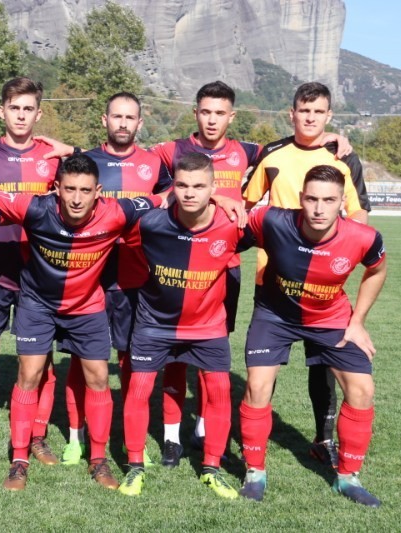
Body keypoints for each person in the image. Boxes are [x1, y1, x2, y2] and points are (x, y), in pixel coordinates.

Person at [0, 153, 167, 492]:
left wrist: (223, 197)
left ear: (98, 192)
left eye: (85, 190)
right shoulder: (34, 209)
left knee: (98, 378)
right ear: (56, 189)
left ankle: (98, 459)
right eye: (69, 189)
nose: (77, 199)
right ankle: (19, 461)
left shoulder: (117, 212)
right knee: (29, 375)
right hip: (37, 306)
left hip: (86, 307)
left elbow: (164, 197)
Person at [238, 165, 386, 508]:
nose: (319, 209)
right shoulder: (271, 220)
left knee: (362, 389)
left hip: (330, 317)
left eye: (329, 200)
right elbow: (230, 227)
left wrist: (358, 321)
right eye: (312, 199)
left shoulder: (363, 237)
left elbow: (377, 270)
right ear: (301, 198)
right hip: (274, 316)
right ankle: (255, 473)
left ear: (342, 202)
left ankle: (348, 478)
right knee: (257, 386)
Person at [242, 81, 372, 468]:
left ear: (329, 115)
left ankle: (323, 438)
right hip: (274, 279)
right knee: (264, 371)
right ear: (292, 113)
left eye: (318, 112)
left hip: (323, 284)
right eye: (304, 110)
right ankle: (257, 445)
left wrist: (339, 256)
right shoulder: (272, 154)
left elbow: (359, 214)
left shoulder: (343, 157)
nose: (311, 118)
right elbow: (247, 204)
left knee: (324, 365)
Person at [119, 152, 252, 498]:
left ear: (213, 187)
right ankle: (134, 467)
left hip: (208, 327)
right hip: (154, 325)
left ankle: (212, 469)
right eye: (181, 185)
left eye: (199, 186)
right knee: (138, 391)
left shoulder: (234, 224)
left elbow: (285, 229)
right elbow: (109, 219)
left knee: (219, 393)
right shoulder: (149, 224)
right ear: (172, 187)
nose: (190, 193)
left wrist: (227, 201)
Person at [150, 82, 260, 461]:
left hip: (225, 267)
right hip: (178, 265)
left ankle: (203, 428)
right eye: (205, 112)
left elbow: (294, 147)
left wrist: (333, 139)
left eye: (220, 113)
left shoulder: (248, 152)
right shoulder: (170, 151)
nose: (212, 120)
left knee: (211, 354)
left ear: (232, 116)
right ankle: (171, 436)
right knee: (175, 356)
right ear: (195, 112)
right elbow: (128, 162)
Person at [0, 77, 61, 465]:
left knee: (39, 361)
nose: (21, 115)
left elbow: (90, 181)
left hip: (40, 271)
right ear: (1, 111)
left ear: (38, 113)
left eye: (28, 109)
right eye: (14, 108)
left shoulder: (54, 157)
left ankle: (37, 436)